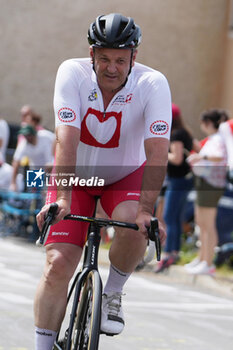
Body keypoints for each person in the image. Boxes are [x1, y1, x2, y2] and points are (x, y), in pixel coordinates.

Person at [35, 13, 171, 350]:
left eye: (121, 60)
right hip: (76, 178)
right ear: (92, 53)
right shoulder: (72, 72)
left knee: (134, 223)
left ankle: (112, 292)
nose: (112, 68)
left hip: (125, 176)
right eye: (105, 58)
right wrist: (62, 199)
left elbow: (157, 151)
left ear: (134, 58)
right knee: (57, 265)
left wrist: (145, 210)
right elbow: (66, 140)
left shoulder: (153, 84)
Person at [185, 109, 228, 275]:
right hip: (206, 183)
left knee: (208, 225)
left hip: (212, 184)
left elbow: (217, 157)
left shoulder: (218, 139)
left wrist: (200, 158)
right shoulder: (214, 139)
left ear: (209, 123)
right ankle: (202, 258)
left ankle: (208, 262)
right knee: (201, 223)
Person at [155, 103, 194, 272]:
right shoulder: (186, 132)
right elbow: (196, 148)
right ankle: (174, 252)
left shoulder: (176, 135)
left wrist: (161, 152)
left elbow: (177, 159)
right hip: (185, 180)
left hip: (178, 180)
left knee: (169, 216)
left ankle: (169, 253)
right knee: (176, 217)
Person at [10, 124, 55, 191]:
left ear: (33, 133)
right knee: (33, 192)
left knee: (51, 189)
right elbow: (16, 162)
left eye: (28, 135)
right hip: (35, 169)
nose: (27, 137)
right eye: (25, 135)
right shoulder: (23, 145)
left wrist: (53, 162)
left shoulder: (45, 135)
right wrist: (13, 183)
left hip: (51, 166)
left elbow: (56, 139)